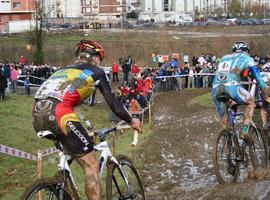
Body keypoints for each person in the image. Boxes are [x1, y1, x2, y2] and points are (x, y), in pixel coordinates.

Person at [33, 40, 141, 200]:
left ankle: (62, 184)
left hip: (37, 114)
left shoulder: (61, 71)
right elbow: (114, 104)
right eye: (99, 59)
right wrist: (131, 121)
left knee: (74, 149)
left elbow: (58, 97)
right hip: (60, 115)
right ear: (96, 58)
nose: (99, 63)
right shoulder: (95, 72)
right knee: (91, 164)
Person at [212, 42, 270, 145]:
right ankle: (244, 131)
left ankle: (227, 152)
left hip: (216, 87)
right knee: (251, 102)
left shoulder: (224, 57)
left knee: (225, 128)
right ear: (247, 51)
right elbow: (259, 80)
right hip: (231, 86)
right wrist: (265, 96)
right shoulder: (247, 58)